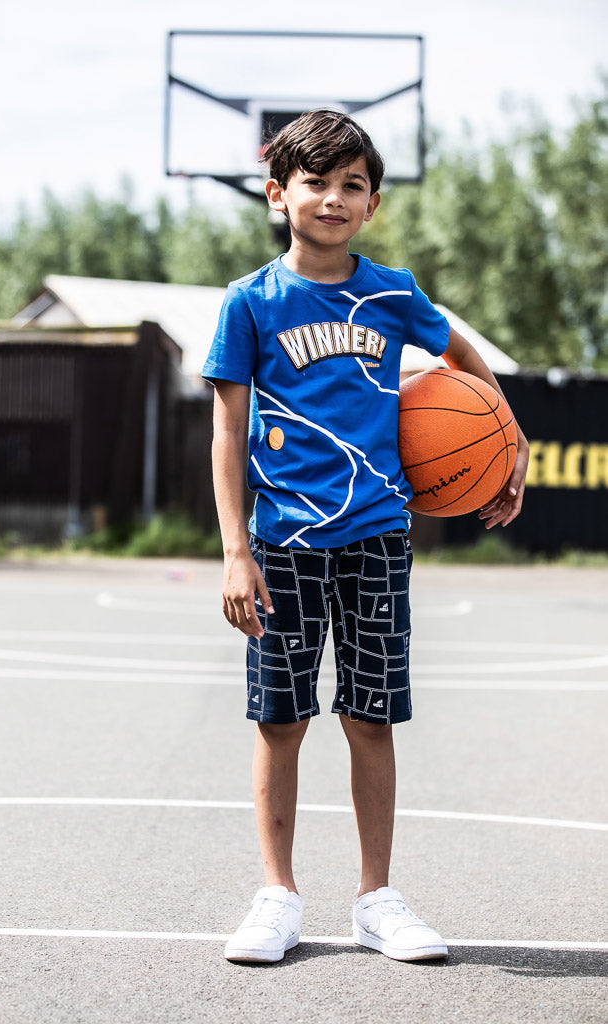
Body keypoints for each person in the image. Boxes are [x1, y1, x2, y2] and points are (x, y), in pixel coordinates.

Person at [202, 109, 529, 964]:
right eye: (315, 182)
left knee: (370, 719)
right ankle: (277, 896)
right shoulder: (250, 303)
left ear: (373, 203)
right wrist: (235, 550)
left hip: (378, 539)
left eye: (352, 185)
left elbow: (462, 357)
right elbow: (225, 435)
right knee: (279, 721)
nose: (333, 198)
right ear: (279, 194)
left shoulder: (391, 293)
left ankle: (375, 900)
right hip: (280, 545)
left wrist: (508, 442)